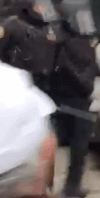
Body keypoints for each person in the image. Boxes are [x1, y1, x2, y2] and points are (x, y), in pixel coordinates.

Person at [49, 0, 100, 198]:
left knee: (78, 145)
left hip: (78, 99)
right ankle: (69, 187)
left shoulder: (80, 39)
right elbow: (71, 69)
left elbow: (90, 61)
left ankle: (71, 186)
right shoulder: (62, 41)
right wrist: (87, 83)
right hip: (70, 99)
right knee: (76, 144)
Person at [0, 59, 57, 198]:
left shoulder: (15, 77)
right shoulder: (14, 77)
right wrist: (42, 183)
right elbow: (49, 142)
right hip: (19, 179)